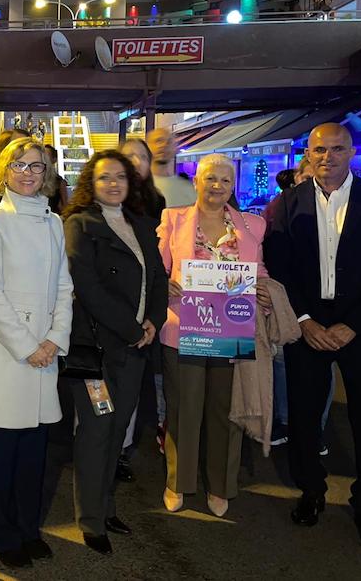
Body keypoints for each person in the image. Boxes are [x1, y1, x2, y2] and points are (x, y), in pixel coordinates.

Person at [264, 123, 361, 548]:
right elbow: (280, 268)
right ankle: (311, 491)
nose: (328, 157)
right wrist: (305, 320)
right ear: (308, 155)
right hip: (308, 322)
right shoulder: (286, 204)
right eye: (319, 150)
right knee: (304, 415)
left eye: (337, 149)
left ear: (352, 152)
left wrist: (355, 323)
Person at [0, 138, 72, 568]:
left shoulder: (54, 222)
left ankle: (29, 529)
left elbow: (64, 287)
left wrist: (54, 339)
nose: (28, 173)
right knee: (2, 457)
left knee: (34, 455)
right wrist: (30, 346)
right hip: (8, 355)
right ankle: (2, 533)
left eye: (37, 166)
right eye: (19, 165)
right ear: (3, 170)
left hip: (44, 355)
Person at [62, 151, 168, 554]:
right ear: (91, 183)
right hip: (96, 348)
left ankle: (105, 507)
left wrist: (153, 320)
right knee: (97, 430)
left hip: (136, 347)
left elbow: (157, 278)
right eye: (104, 177)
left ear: (130, 182)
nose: (113, 184)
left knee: (118, 430)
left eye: (120, 177)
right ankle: (90, 520)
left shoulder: (141, 224)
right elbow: (87, 286)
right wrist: (131, 329)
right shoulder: (79, 224)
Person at [158, 154, 270, 518]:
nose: (217, 185)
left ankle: (220, 485)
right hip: (184, 329)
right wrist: (165, 285)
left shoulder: (252, 225)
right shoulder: (173, 219)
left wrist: (264, 289)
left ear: (232, 185)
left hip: (232, 330)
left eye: (224, 179)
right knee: (183, 409)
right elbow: (156, 268)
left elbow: (259, 270)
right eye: (210, 178)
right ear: (196, 182)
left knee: (226, 412)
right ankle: (178, 481)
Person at [117, 137, 167, 479]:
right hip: (111, 305)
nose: (136, 162)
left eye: (142, 157)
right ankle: (94, 445)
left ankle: (122, 448)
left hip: (144, 301)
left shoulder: (156, 202)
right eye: (129, 157)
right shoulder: (101, 201)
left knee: (133, 385)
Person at [147, 128, 196, 208]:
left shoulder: (189, 189)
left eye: (169, 142)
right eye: (158, 141)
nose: (163, 145)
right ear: (146, 147)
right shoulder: (138, 186)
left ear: (175, 149)